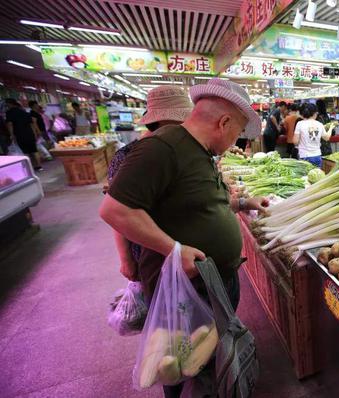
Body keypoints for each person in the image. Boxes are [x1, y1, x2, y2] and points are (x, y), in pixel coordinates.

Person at [100, 79, 268, 398]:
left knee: (204, 361)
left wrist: (244, 203)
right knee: (178, 363)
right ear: (224, 122)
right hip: (184, 286)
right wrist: (173, 249)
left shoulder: (198, 151)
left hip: (212, 281)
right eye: (237, 133)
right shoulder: (161, 148)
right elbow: (114, 210)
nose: (235, 142)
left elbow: (200, 203)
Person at [106, 86, 193, 282]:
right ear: (162, 121)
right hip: (151, 251)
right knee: (162, 306)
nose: (186, 125)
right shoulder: (128, 156)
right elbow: (117, 212)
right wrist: (126, 259)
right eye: (181, 119)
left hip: (185, 248)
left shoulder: (178, 149)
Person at [5, 98, 41, 170]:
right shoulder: (24, 111)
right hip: (29, 133)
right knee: (34, 150)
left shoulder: (9, 113)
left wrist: (11, 135)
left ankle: (29, 168)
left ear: (10, 104)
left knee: (25, 152)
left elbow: (10, 124)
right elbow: (31, 124)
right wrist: (35, 133)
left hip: (19, 134)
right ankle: (39, 166)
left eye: (7, 104)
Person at [293, 102, 331, 167]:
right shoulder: (319, 124)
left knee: (305, 176)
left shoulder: (300, 124)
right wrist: (331, 128)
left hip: (304, 156)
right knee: (317, 175)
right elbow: (327, 138)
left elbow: (295, 142)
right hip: (317, 156)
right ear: (314, 113)